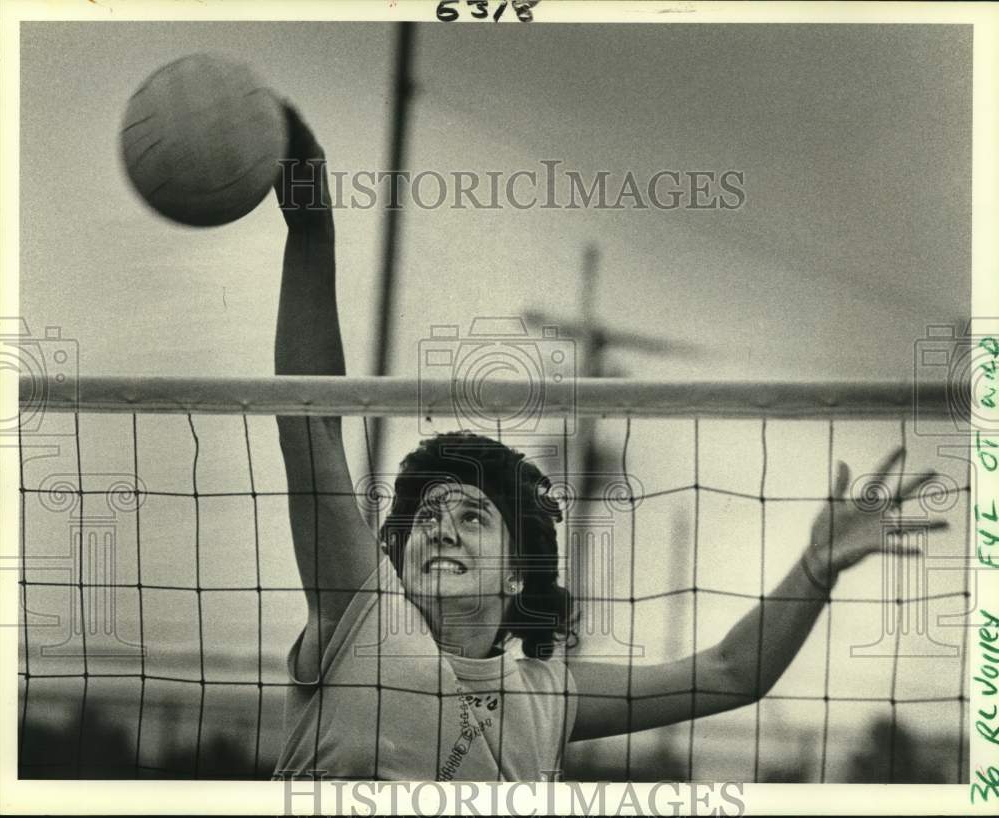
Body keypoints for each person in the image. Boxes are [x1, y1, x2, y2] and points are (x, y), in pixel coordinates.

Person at [270, 106, 946, 782]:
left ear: (516, 573)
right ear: (396, 554)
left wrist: (816, 566)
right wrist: (311, 222)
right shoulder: (363, 617)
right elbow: (308, 420)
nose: (441, 524)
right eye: (426, 516)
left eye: (472, 514)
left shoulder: (547, 695)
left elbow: (730, 672)